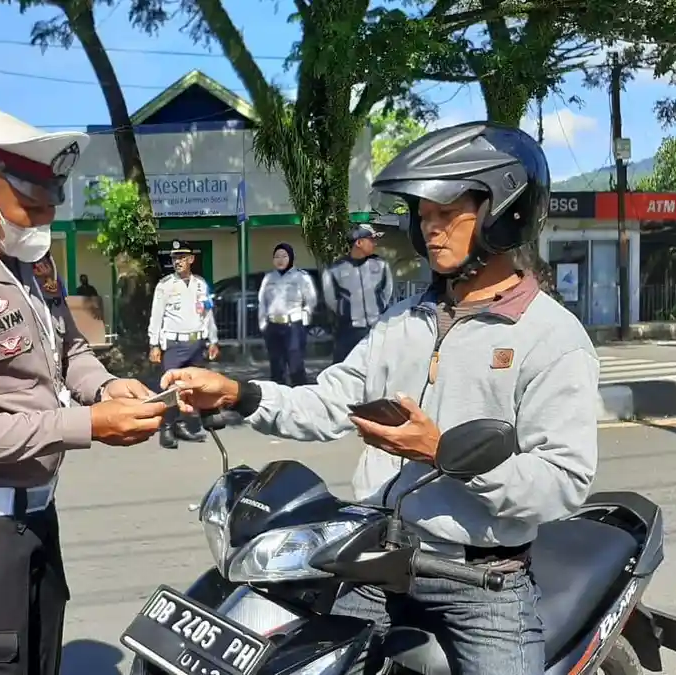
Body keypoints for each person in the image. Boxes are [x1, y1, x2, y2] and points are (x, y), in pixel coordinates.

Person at [162, 122, 600, 675]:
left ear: (503, 208)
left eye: (447, 212)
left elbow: (561, 483)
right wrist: (239, 392)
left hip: (481, 584)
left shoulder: (551, 338)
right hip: (372, 562)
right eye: (424, 215)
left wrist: (441, 453)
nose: (431, 228)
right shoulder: (404, 321)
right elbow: (328, 403)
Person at [0, 107, 167, 675]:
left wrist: (110, 389)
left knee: (41, 660)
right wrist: (88, 426)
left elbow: (68, 351)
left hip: (38, 517)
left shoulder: (32, 267)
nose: (42, 224)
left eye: (50, 210)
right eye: (31, 209)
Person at [148, 240, 219, 449]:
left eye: (181, 258)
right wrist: (154, 344)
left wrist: (213, 340)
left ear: (191, 259)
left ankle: (181, 425)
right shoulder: (165, 285)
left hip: (196, 343)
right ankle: (167, 429)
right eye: (174, 258)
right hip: (173, 344)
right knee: (171, 388)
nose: (177, 262)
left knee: (191, 387)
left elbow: (208, 314)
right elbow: (156, 316)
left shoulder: (201, 285)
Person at [322, 223, 394, 363]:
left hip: (376, 328)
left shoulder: (381, 265)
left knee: (377, 367)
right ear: (359, 242)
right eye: (371, 239)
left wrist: (377, 309)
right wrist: (345, 311)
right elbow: (331, 298)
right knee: (344, 369)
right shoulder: (335, 269)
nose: (374, 243)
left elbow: (387, 291)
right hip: (348, 331)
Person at [257, 242, 318, 386]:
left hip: (293, 326)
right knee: (276, 365)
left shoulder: (301, 277)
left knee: (295, 364)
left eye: (284, 256)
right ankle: (279, 398)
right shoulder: (268, 278)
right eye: (277, 256)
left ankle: (301, 397)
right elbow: (262, 302)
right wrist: (263, 325)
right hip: (273, 326)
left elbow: (311, 299)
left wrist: (305, 318)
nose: (280, 259)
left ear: (291, 258)